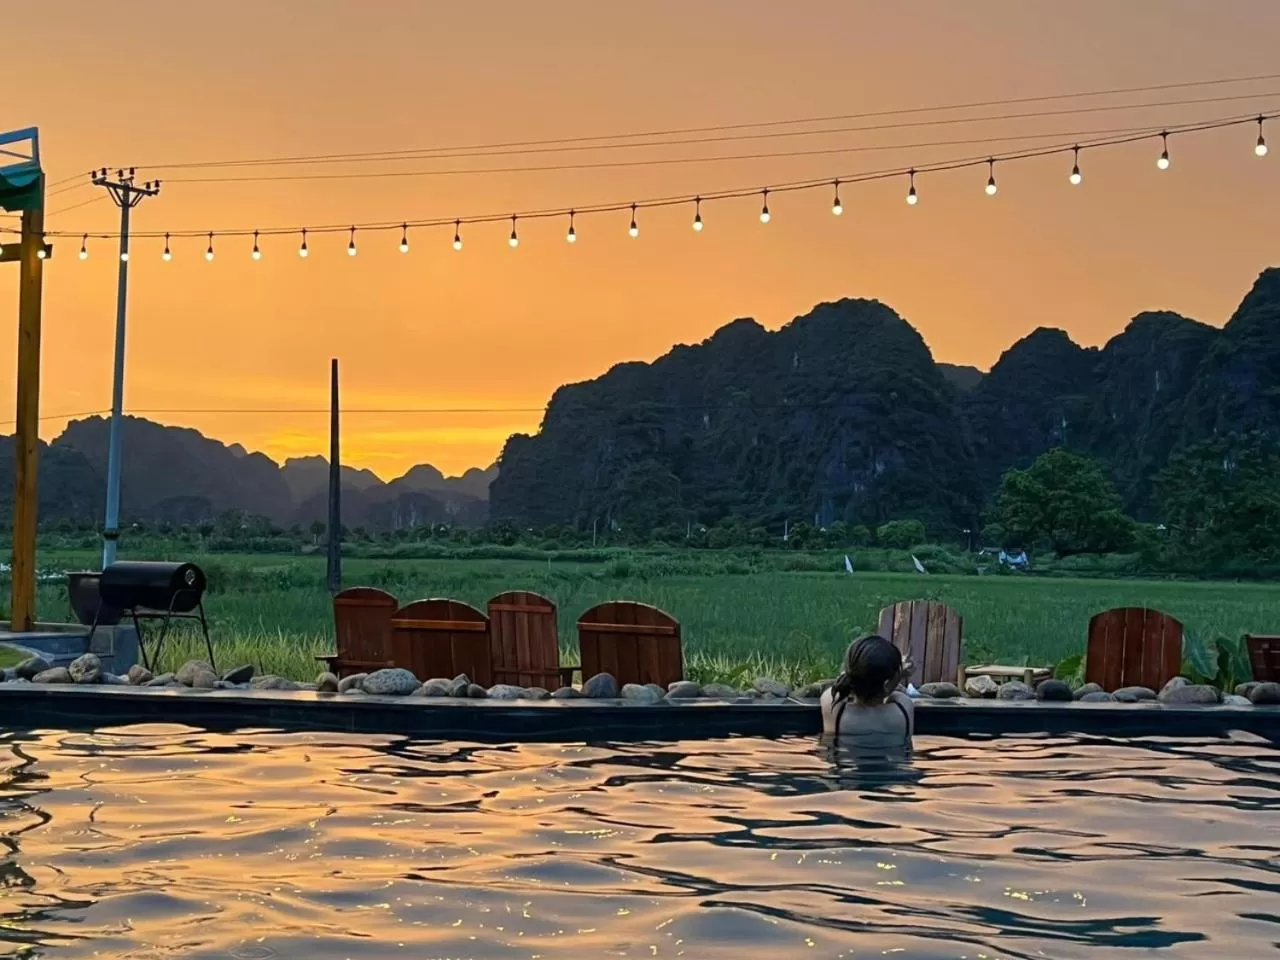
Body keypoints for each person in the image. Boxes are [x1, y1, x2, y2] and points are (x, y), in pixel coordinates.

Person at [820, 634, 914, 754]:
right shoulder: (904, 709)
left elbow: (841, 684)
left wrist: (857, 671)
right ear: (886, 684)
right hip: (894, 772)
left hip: (846, 771)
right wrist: (899, 673)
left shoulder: (835, 708)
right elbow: (896, 692)